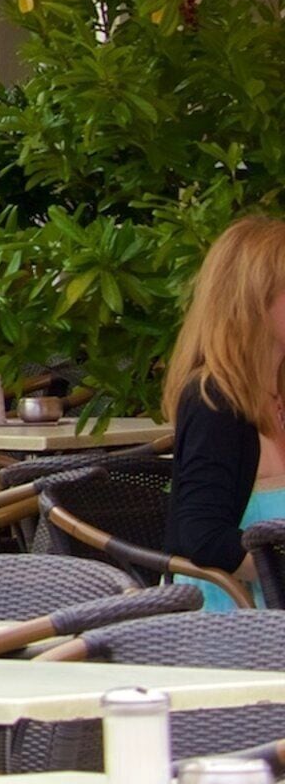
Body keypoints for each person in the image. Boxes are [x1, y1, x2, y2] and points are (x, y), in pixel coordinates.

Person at [163, 213, 285, 605]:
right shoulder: (215, 400)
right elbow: (203, 537)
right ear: (251, 301)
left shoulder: (276, 387)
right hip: (239, 628)